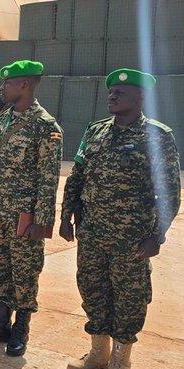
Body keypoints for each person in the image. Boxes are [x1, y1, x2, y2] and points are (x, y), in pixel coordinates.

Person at [63, 69, 180, 369]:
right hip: (91, 233)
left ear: (141, 97)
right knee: (92, 289)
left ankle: (120, 358)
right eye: (111, 91)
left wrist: (158, 235)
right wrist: (66, 215)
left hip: (132, 239)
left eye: (121, 92)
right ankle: (98, 352)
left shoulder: (157, 136)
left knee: (130, 298)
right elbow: (77, 176)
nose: (112, 96)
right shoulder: (95, 131)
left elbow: (169, 191)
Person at [0, 60, 63, 357]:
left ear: (24, 84)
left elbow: (48, 180)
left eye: (8, 83)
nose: (2, 88)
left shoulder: (45, 126)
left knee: (24, 271)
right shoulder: (3, 119)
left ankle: (21, 327)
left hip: (24, 215)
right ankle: (0, 322)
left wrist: (42, 221)